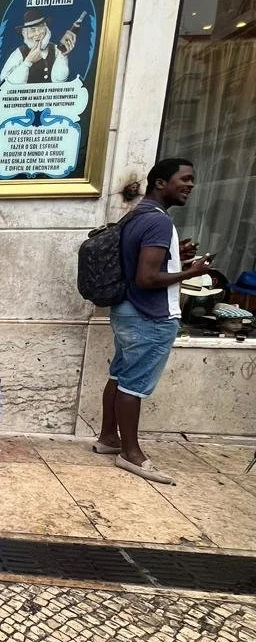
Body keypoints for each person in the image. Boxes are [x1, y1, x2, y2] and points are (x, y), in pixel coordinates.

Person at [95, 158, 212, 485]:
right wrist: (194, 271)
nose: (190, 185)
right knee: (133, 384)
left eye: (192, 180)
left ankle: (108, 438)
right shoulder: (159, 223)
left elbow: (142, 264)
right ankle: (131, 454)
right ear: (161, 182)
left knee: (119, 375)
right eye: (184, 179)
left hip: (128, 310)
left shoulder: (138, 216)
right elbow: (147, 277)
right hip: (150, 314)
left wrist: (179, 255)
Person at [0, 7, 73, 85]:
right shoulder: (19, 53)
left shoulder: (56, 49)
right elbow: (5, 82)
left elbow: (59, 80)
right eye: (33, 29)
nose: (37, 33)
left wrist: (63, 55)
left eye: (40, 28)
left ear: (46, 29)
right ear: (25, 33)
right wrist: (27, 62)